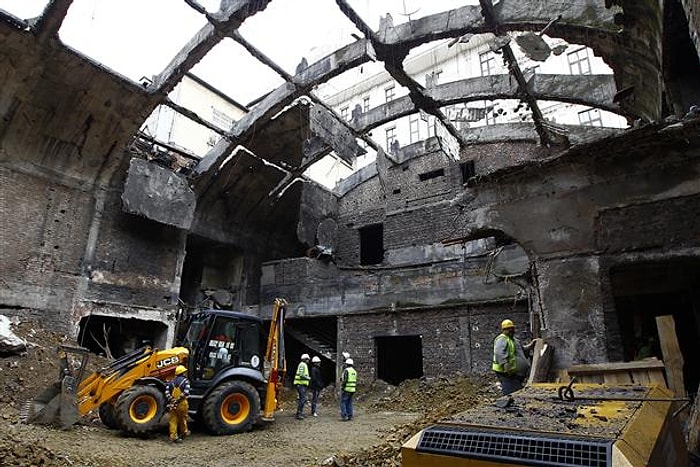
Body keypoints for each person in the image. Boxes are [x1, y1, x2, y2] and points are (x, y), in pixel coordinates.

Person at [492, 319, 533, 396]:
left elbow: (522, 349)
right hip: (506, 372)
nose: (510, 330)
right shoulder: (502, 339)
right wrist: (505, 365)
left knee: (515, 389)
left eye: (511, 328)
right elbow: (499, 353)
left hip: (514, 372)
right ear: (503, 330)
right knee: (511, 391)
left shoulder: (514, 340)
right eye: (507, 329)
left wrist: (531, 345)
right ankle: (508, 403)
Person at [165, 365, 191, 443]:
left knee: (173, 420)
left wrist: (172, 400)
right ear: (183, 373)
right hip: (182, 404)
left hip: (172, 404)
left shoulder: (170, 382)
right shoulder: (186, 381)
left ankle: (173, 437)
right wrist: (178, 399)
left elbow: (166, 392)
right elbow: (186, 392)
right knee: (182, 419)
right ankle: (184, 433)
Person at [293, 353, 311, 420]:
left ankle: (300, 413)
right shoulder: (302, 365)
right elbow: (301, 374)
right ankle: (299, 414)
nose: (308, 360)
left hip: (302, 384)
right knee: (302, 400)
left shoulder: (304, 365)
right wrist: (308, 378)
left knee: (302, 399)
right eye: (308, 359)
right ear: (305, 359)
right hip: (300, 384)